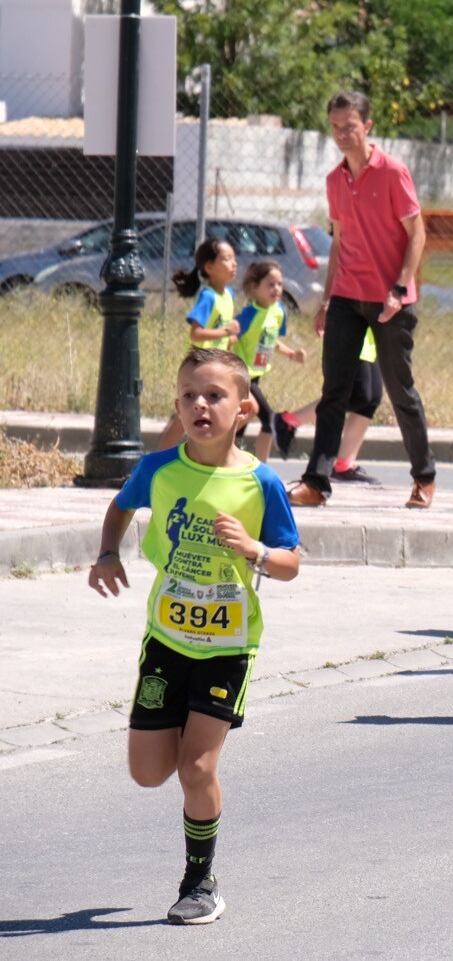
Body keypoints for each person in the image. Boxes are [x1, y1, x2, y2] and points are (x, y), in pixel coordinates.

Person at [86, 347, 302, 925]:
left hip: (228, 649)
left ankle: (200, 879)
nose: (199, 405)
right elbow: (119, 506)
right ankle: (180, 723)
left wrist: (256, 551)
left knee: (197, 769)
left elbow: (290, 562)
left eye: (214, 395)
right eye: (188, 395)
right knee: (148, 773)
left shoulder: (261, 484)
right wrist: (108, 553)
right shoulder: (158, 469)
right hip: (167, 642)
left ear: (244, 409)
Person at [288, 90, 434, 510]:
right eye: (335, 128)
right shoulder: (335, 180)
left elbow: (417, 234)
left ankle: (423, 477)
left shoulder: (392, 172)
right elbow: (339, 243)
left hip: (390, 302)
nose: (341, 135)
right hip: (347, 299)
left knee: (400, 389)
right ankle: (317, 481)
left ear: (367, 126)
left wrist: (401, 287)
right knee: (334, 391)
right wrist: (328, 298)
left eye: (349, 127)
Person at [154, 238, 241, 450]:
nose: (234, 264)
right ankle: (155, 461)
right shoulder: (208, 297)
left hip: (217, 366)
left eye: (234, 258)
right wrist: (224, 331)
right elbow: (196, 333)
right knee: (182, 420)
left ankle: (208, 449)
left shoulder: (228, 294)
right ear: (209, 267)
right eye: (227, 259)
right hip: (199, 366)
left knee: (235, 410)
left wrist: (228, 339)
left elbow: (219, 333)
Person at [270, 328, 385, 485]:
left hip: (372, 333)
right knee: (359, 395)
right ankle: (288, 421)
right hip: (353, 329)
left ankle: (344, 466)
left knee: (372, 398)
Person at [232, 261, 308, 461]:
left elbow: (271, 341)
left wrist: (291, 354)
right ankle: (260, 466)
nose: (277, 289)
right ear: (255, 287)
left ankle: (231, 457)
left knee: (243, 421)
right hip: (242, 374)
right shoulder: (249, 315)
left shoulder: (279, 311)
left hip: (257, 375)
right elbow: (230, 339)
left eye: (280, 284)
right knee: (269, 419)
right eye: (270, 284)